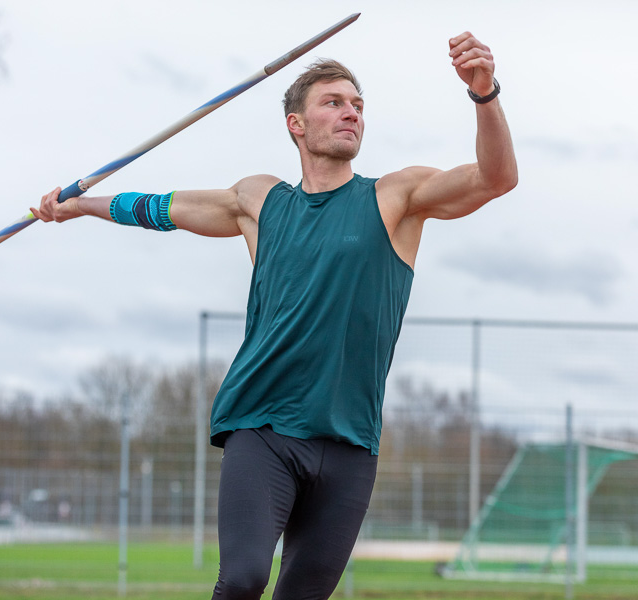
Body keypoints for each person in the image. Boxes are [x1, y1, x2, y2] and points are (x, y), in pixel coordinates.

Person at [32, 31, 517, 600]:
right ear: (296, 124)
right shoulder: (261, 201)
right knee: (241, 580)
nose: (351, 113)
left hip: (349, 438)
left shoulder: (396, 196)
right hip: (262, 424)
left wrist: (484, 93)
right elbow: (165, 209)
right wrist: (82, 206)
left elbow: (496, 178)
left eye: (358, 105)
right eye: (334, 102)